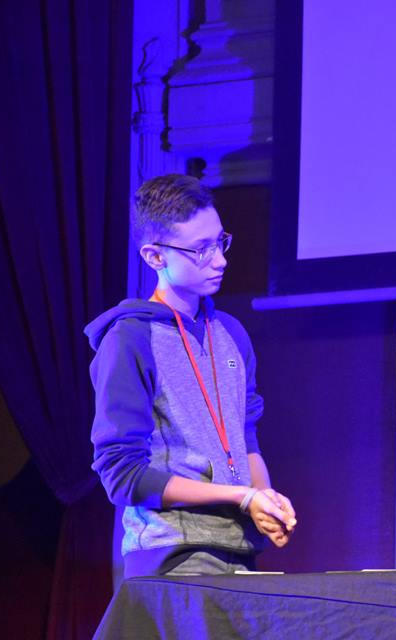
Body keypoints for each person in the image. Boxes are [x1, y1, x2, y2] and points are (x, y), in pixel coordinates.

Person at [86, 174, 296, 578]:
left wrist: (263, 498)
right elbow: (122, 474)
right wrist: (241, 496)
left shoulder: (231, 334)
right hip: (172, 557)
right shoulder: (130, 338)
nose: (220, 260)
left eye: (220, 242)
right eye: (201, 249)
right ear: (155, 257)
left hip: (239, 549)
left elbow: (245, 437)